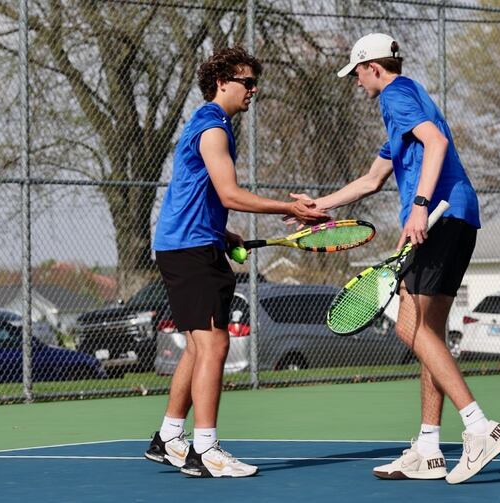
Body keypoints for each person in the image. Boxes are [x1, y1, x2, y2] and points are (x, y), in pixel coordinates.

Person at [299, 33, 500, 484]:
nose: (356, 82)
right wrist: (318, 206)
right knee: (427, 335)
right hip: (457, 218)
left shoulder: (395, 96)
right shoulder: (410, 97)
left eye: (357, 72)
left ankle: (479, 427)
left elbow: (435, 144)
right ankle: (428, 448)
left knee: (409, 326)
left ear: (373, 67)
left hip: (436, 218)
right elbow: (372, 179)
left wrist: (419, 205)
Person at [144, 46, 328, 478]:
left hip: (189, 242)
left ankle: (170, 436)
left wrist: (221, 231)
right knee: (215, 343)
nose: (253, 89)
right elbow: (229, 194)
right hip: (189, 248)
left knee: (200, 344)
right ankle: (205, 450)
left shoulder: (210, 124)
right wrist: (291, 208)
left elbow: (195, 191)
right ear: (222, 83)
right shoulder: (213, 128)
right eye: (247, 82)